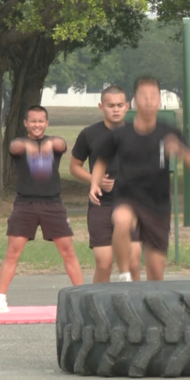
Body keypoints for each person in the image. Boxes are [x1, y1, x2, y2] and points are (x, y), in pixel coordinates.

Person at [89, 77, 190, 282]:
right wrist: (94, 184)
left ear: (159, 101)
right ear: (135, 101)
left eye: (153, 96)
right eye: (143, 96)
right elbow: (101, 161)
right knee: (121, 221)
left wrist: (180, 151)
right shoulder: (121, 133)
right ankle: (124, 275)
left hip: (157, 204)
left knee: (156, 271)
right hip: (127, 197)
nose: (148, 101)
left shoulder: (169, 131)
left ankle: (151, 307)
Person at [0, 105, 83, 313]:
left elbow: (61, 144)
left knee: (68, 251)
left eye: (41, 121)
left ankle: (81, 298)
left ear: (46, 123)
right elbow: (15, 147)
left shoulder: (53, 142)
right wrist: (29, 147)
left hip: (52, 204)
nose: (37, 124)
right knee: (13, 251)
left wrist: (46, 144)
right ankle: (0, 299)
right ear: (26, 123)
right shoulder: (19, 143)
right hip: (25, 204)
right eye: (33, 121)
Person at [69, 85, 141, 283]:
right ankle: (97, 307)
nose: (115, 109)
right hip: (101, 204)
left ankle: (134, 305)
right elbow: (74, 166)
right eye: (110, 105)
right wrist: (95, 180)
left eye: (120, 105)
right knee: (104, 263)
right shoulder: (89, 134)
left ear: (127, 106)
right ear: (101, 107)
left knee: (133, 262)